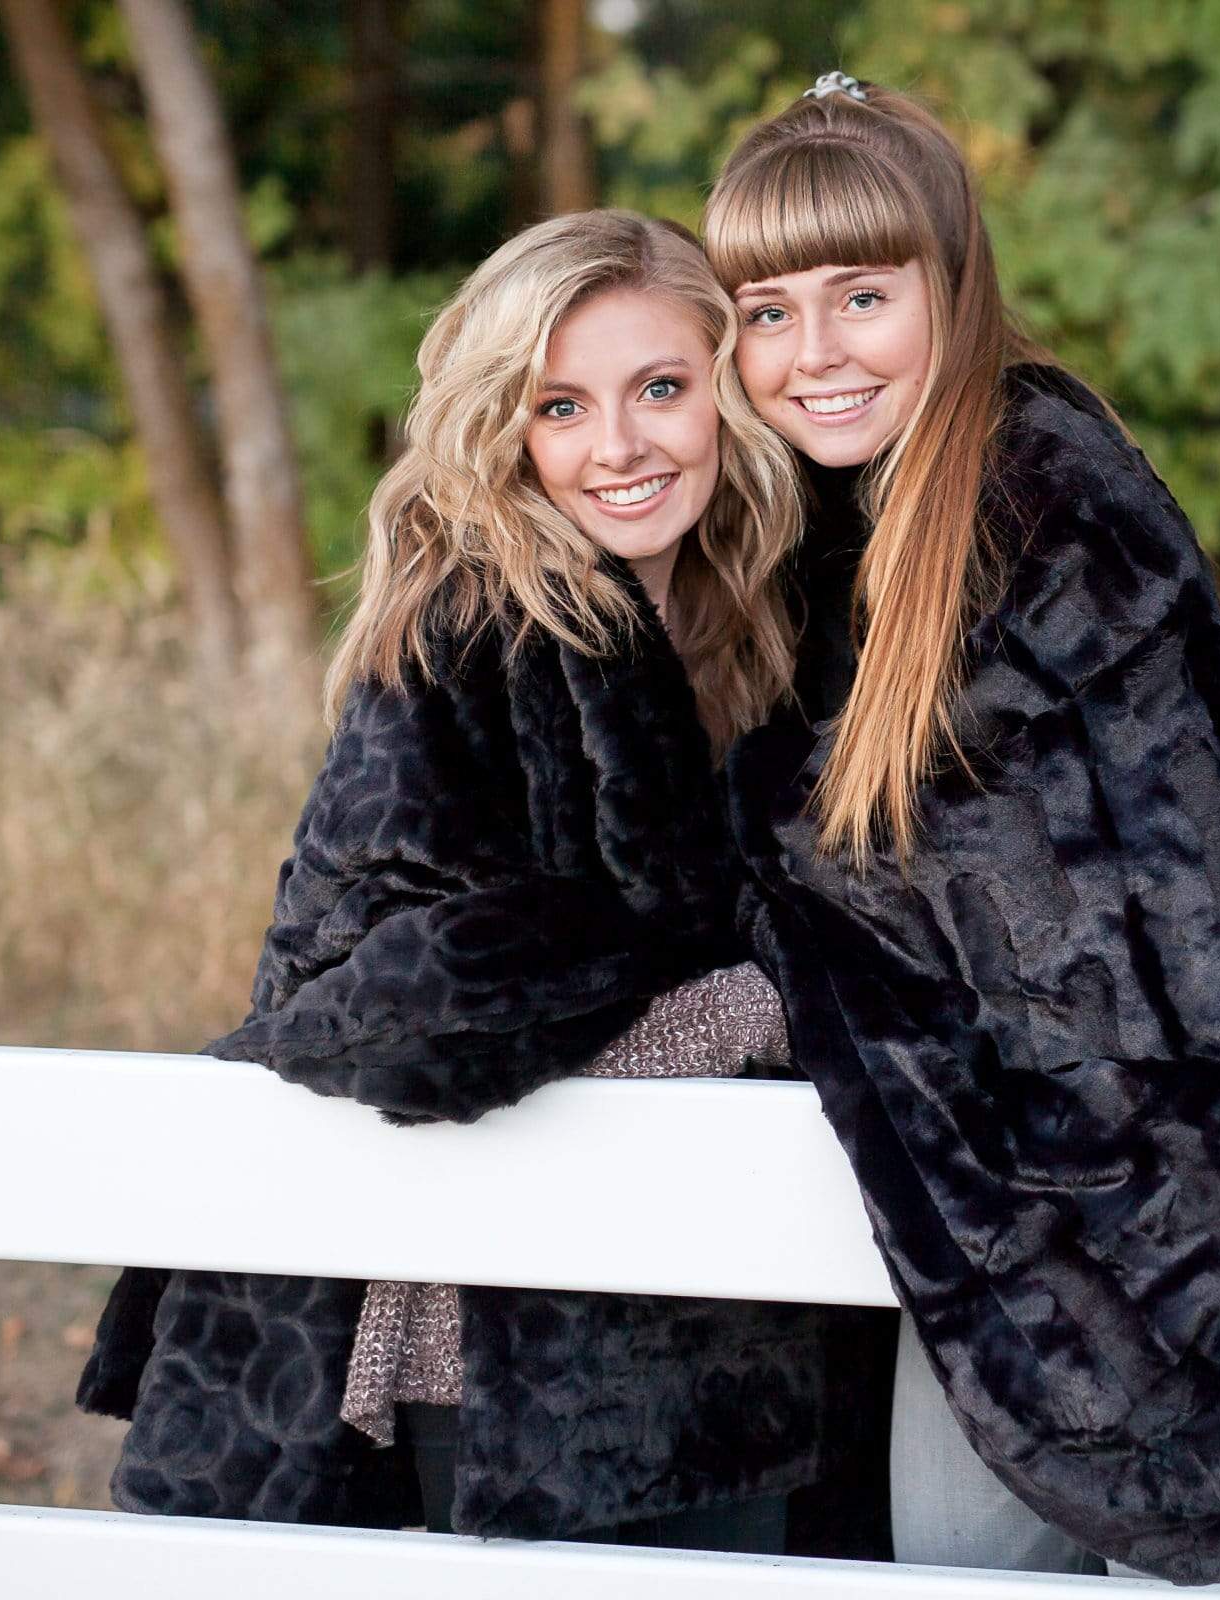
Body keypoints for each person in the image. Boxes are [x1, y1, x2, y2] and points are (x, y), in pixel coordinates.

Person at [703, 74, 1220, 1587]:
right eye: (766, 311)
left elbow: (1127, 919)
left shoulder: (1045, 498)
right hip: (994, 1217)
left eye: (861, 295)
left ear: (953, 290)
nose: (814, 353)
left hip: (1178, 1211)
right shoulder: (831, 532)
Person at [75, 209, 867, 1551]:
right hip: (484, 1336)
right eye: (563, 406)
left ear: (726, 398)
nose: (620, 445)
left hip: (711, 1315)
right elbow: (387, 1008)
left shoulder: (755, 629)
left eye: (662, 389)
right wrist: (740, 992)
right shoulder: (473, 629)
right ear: (509, 429)